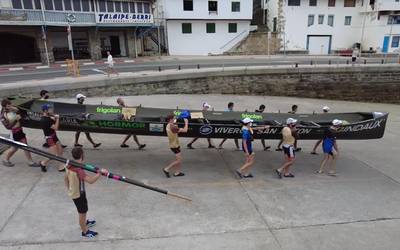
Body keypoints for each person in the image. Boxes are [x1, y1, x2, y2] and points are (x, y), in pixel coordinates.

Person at [64, 147, 108, 238]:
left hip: (75, 191)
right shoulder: (79, 170)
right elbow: (91, 181)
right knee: (82, 212)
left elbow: (65, 178)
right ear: (82, 155)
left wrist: (69, 188)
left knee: (83, 210)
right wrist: (100, 173)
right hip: (78, 194)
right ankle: (85, 231)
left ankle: (84, 223)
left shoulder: (69, 165)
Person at [1, 99, 39, 168]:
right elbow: (8, 127)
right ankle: (6, 160)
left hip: (19, 130)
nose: (10, 106)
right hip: (14, 132)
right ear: (4, 107)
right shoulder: (3, 115)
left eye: (11, 105)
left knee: (21, 147)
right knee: (18, 148)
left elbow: (21, 113)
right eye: (8, 106)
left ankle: (30, 161)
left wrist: (17, 110)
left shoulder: (13, 109)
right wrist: (16, 120)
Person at [39, 104, 65, 172]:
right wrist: (58, 118)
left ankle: (61, 166)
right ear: (45, 110)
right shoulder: (45, 120)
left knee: (60, 151)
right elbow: (56, 127)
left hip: (54, 136)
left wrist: (54, 117)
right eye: (50, 109)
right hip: (50, 138)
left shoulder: (48, 117)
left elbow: (52, 120)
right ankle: (43, 163)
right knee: (54, 155)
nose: (52, 110)